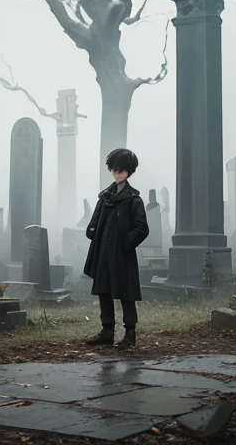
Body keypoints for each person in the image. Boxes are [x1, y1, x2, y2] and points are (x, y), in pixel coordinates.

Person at [82, 148, 149, 349]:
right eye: (115, 170)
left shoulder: (134, 200)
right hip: (103, 253)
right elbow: (93, 224)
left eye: (122, 171)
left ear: (129, 172)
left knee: (126, 294)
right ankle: (107, 331)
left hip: (122, 255)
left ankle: (130, 335)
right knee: (104, 291)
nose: (117, 174)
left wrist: (125, 243)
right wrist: (93, 231)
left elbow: (142, 228)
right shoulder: (104, 198)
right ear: (111, 170)